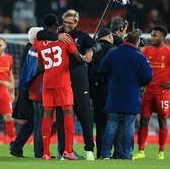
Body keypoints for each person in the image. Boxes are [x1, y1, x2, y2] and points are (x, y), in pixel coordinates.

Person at [37, 9, 96, 160]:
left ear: (76, 23)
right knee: (64, 117)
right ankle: (65, 150)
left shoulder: (81, 35)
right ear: (59, 23)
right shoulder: (63, 37)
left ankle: (87, 150)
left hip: (71, 82)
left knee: (84, 116)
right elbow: (77, 58)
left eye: (71, 22)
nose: (67, 25)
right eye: (65, 22)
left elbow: (95, 45)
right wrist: (83, 58)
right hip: (63, 82)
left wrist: (91, 51)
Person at [134, 25, 170, 160]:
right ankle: (141, 151)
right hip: (148, 92)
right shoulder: (147, 50)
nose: (152, 38)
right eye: (151, 35)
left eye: (155, 35)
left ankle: (161, 152)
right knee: (144, 121)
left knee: (162, 121)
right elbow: (138, 65)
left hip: (162, 93)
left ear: (162, 37)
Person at [98, 30, 152, 160]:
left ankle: (105, 154)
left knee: (111, 125)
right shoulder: (140, 57)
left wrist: (109, 78)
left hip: (114, 95)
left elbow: (101, 69)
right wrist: (139, 82)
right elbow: (148, 76)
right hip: (131, 96)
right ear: (137, 42)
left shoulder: (113, 53)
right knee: (129, 127)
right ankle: (127, 155)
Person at [11, 27, 44, 158]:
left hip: (26, 88)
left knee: (32, 121)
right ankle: (34, 149)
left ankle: (17, 147)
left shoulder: (29, 48)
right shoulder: (32, 49)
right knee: (34, 121)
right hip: (29, 89)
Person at [88, 28, 115, 159]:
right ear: (110, 36)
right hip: (111, 90)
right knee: (113, 122)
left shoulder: (91, 50)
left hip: (96, 90)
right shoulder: (114, 50)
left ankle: (100, 153)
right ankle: (112, 153)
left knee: (100, 124)